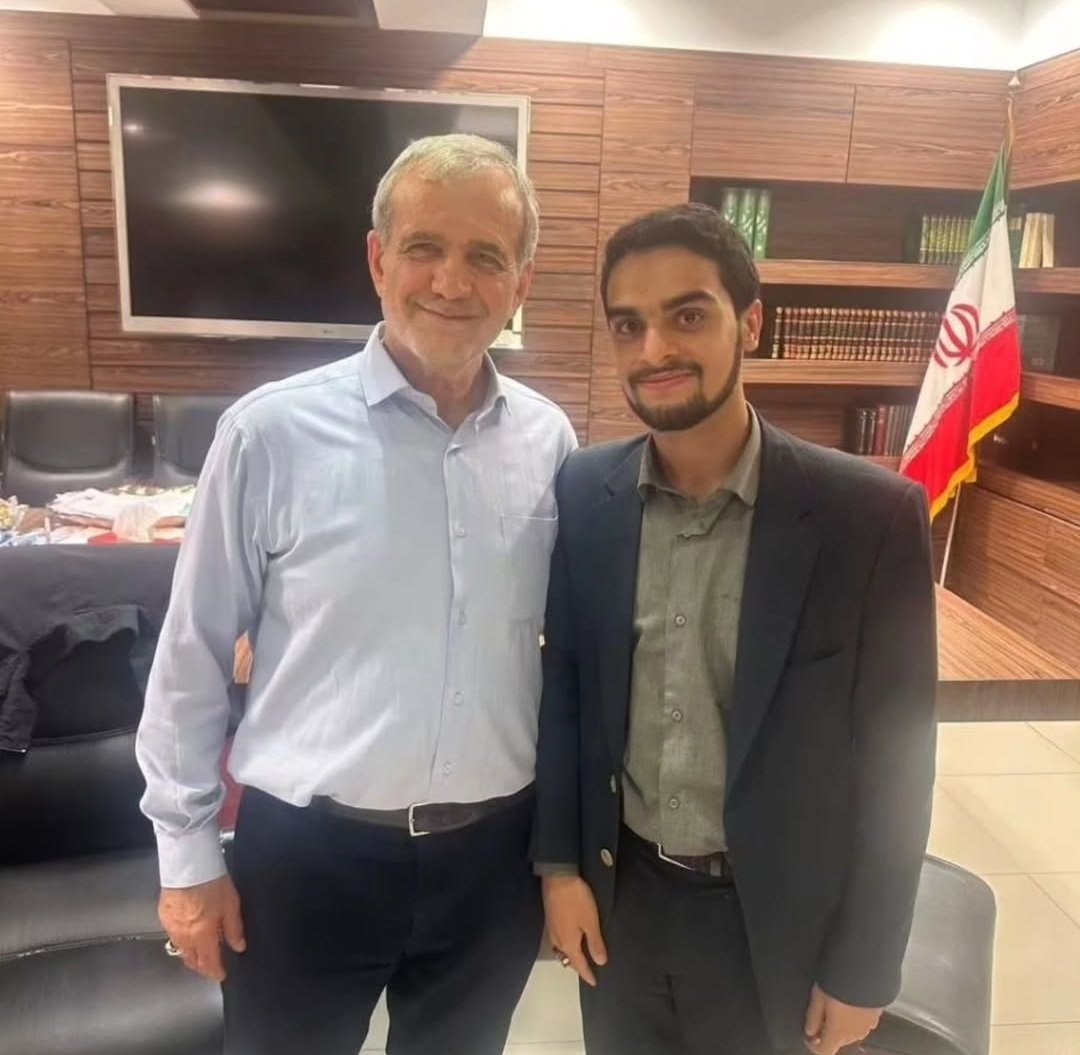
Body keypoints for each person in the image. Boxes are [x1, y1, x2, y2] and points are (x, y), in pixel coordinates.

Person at [136, 133, 577, 1055]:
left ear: (521, 285)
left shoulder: (550, 444)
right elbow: (192, 656)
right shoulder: (270, 434)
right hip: (308, 859)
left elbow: (566, 659)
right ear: (378, 260)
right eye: (425, 248)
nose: (451, 281)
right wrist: (186, 859)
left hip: (491, 863)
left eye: (485, 256)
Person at [533, 203, 937, 1055]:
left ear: (749, 322)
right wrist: (560, 867)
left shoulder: (868, 518)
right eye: (628, 325)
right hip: (624, 906)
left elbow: (899, 768)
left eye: (688, 316)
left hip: (778, 924)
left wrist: (865, 967)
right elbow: (566, 692)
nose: (654, 350)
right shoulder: (586, 493)